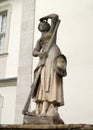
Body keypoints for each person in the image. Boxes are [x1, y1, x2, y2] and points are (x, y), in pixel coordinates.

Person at [31, 14, 67, 116]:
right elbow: (34, 51)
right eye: (40, 24)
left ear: (47, 26)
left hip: (52, 54)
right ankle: (39, 107)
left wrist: (43, 17)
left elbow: (55, 16)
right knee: (41, 80)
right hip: (43, 57)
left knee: (50, 78)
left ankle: (49, 106)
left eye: (44, 24)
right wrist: (39, 53)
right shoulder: (40, 40)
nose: (42, 25)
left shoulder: (52, 32)